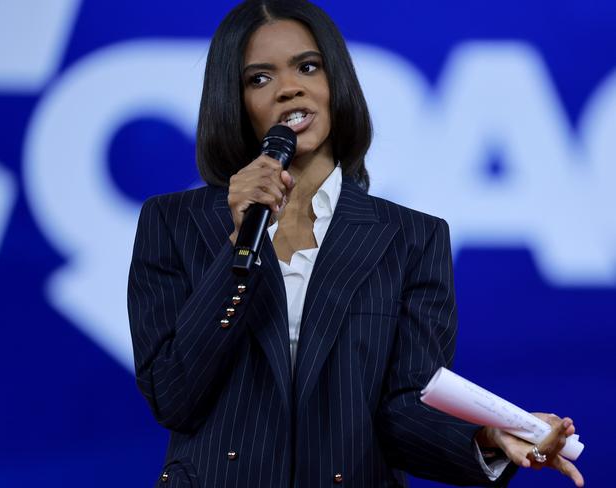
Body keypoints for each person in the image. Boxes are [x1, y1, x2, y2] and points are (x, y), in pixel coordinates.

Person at [127, 1, 584, 487]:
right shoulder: (172, 223)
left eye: (307, 67)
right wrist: (240, 244)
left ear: (335, 82)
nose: (288, 88)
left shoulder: (412, 238)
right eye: (259, 79)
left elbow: (403, 411)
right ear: (234, 102)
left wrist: (487, 438)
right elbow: (173, 396)